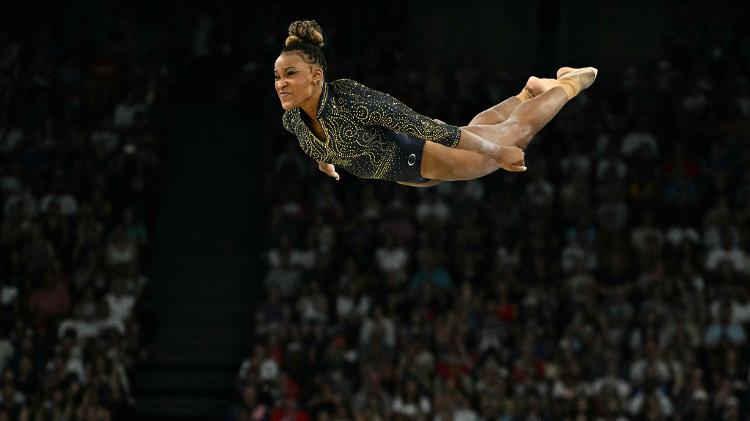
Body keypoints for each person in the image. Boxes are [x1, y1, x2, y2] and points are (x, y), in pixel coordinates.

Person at [275, 20, 597, 187]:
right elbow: (322, 144)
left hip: (422, 152)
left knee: (516, 133)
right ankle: (527, 94)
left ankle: (570, 82)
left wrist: (497, 152)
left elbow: (421, 125)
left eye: (290, 73)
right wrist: (325, 160)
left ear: (317, 75)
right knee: (479, 129)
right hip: (409, 173)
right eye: (277, 76)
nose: (281, 84)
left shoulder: (350, 100)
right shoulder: (293, 120)